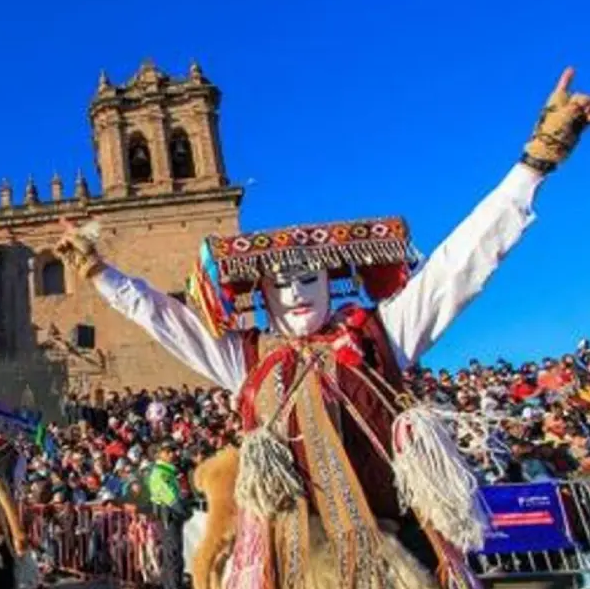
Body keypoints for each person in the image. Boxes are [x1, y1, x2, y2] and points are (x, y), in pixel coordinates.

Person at [55, 68, 590, 589]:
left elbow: (461, 263)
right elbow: (162, 317)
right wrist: (99, 272)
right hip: (290, 563)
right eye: (279, 284)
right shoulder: (246, 357)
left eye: (308, 278)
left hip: (391, 553)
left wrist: (534, 163)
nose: (294, 293)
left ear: (332, 282)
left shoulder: (380, 336)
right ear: (258, 293)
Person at [148, 440, 189, 589]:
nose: (173, 454)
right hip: (168, 515)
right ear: (160, 454)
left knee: (174, 553)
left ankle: (172, 584)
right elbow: (169, 497)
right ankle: (172, 585)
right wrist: (182, 509)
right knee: (173, 554)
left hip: (172, 516)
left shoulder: (170, 471)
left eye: (173, 451)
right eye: (168, 451)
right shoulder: (160, 473)